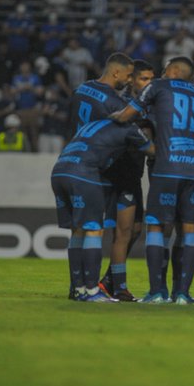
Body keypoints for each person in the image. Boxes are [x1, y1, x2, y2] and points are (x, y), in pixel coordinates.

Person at [110, 57, 194, 305]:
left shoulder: (160, 86)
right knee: (191, 228)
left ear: (172, 71)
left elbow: (126, 115)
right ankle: (183, 293)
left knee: (156, 226)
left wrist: (115, 117)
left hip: (167, 167)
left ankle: (157, 292)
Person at [51, 118, 154, 302]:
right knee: (93, 230)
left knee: (78, 230)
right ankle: (92, 290)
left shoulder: (95, 124)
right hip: (83, 172)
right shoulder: (130, 128)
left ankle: (78, 288)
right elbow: (152, 150)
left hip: (60, 169)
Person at [98, 59, 156, 302]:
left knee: (135, 230)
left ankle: (108, 280)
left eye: (152, 80)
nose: (148, 84)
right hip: (121, 175)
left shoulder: (151, 104)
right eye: (144, 79)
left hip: (135, 174)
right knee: (123, 232)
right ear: (131, 80)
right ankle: (119, 287)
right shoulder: (124, 105)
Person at [38, 88, 69, 153]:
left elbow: (64, 117)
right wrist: (44, 111)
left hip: (58, 134)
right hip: (45, 133)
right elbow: (39, 115)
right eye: (50, 92)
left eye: (53, 93)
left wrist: (52, 114)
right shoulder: (45, 102)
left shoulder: (63, 103)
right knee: (42, 156)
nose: (51, 94)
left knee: (56, 156)